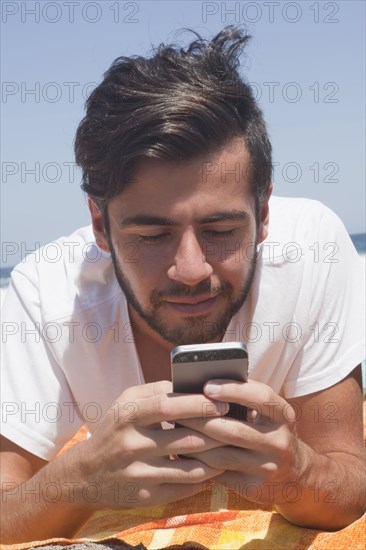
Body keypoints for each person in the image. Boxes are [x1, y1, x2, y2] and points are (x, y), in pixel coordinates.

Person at [1, 26, 365, 544]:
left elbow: (348, 479)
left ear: (263, 214)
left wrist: (297, 475)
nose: (191, 268)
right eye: (152, 234)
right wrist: (79, 480)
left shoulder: (312, 250)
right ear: (100, 227)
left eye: (220, 231)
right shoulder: (48, 293)